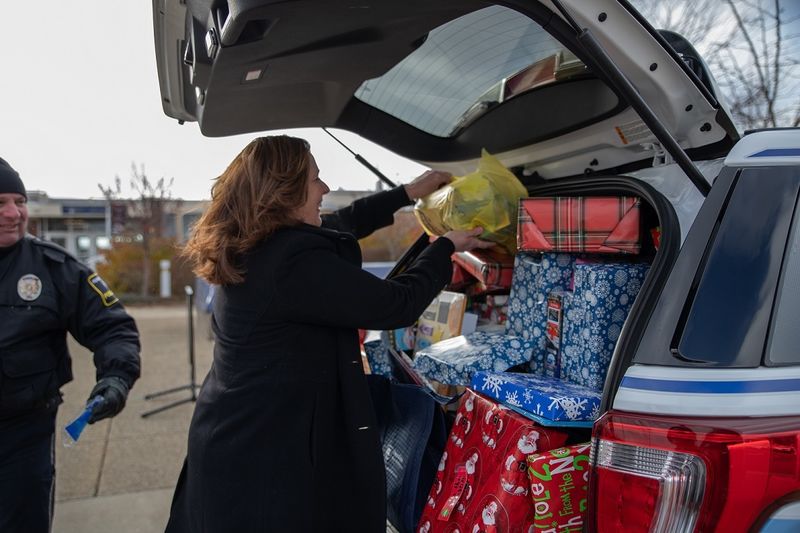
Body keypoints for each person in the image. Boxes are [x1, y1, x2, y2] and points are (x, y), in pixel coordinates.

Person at [165, 135, 493, 533]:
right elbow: (396, 304)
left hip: (236, 435)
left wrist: (407, 193)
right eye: (316, 179)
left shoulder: (256, 242)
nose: (325, 188)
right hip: (262, 454)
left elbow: (343, 225)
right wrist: (443, 248)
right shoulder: (290, 263)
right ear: (285, 192)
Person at [0, 157, 141, 533]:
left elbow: (113, 328)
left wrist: (116, 377)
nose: (14, 213)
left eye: (20, 201)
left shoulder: (54, 267)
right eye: (0, 203)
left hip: (23, 435)